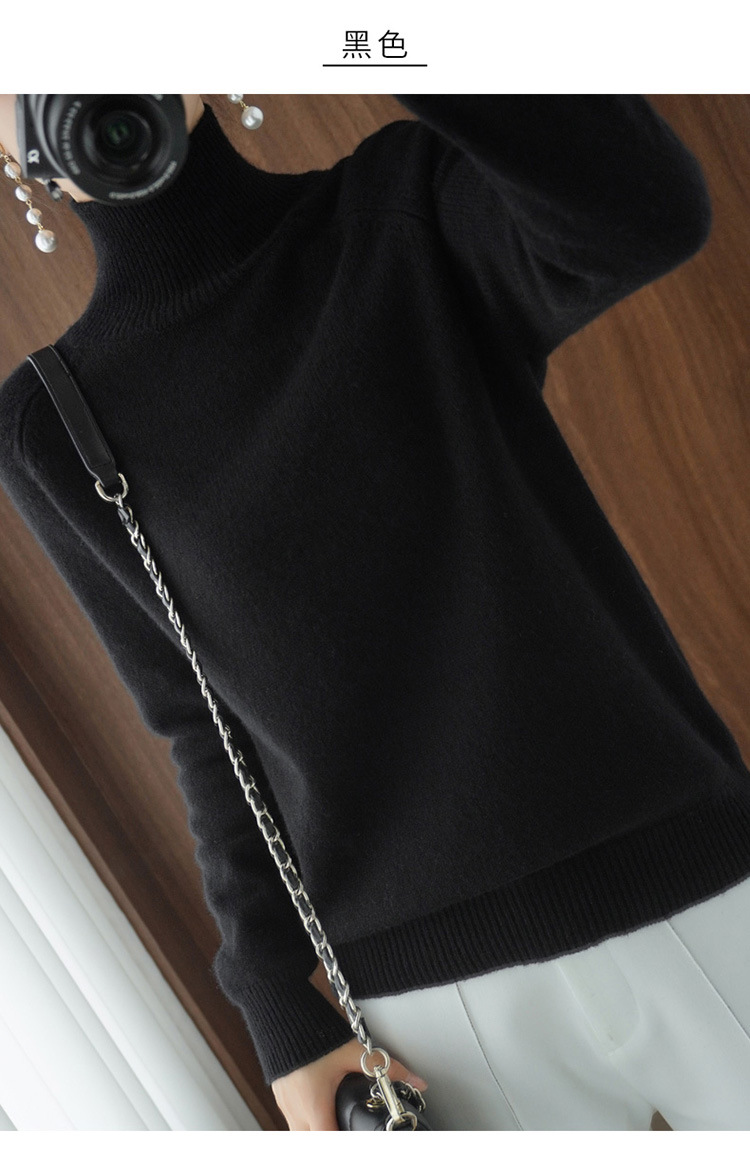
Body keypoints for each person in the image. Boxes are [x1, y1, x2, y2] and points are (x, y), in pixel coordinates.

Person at [1, 93, 750, 1132]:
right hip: (441, 1017)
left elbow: (646, 214)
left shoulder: (403, 206)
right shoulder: (52, 424)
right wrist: (276, 1008)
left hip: (699, 892)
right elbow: (200, 728)